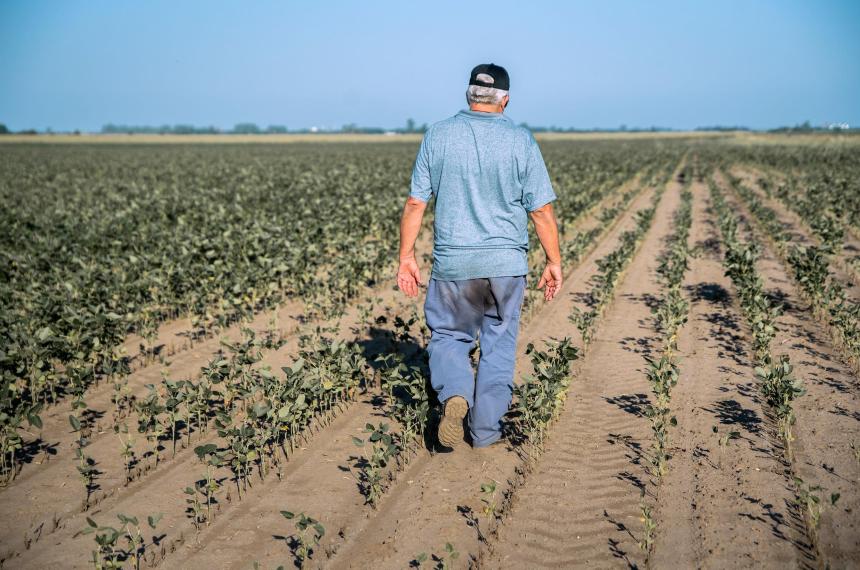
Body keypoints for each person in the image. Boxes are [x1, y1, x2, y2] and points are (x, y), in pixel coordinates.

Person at [397, 63, 562, 449]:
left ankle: (456, 392)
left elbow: (414, 203)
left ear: (469, 96)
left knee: (450, 336)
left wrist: (407, 255)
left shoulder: (437, 136)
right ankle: (486, 434)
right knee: (498, 346)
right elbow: (541, 212)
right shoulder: (521, 141)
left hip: (454, 265)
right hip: (506, 266)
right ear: (505, 100)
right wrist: (553, 261)